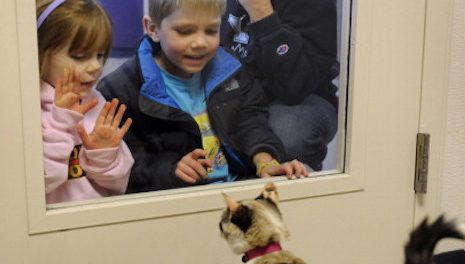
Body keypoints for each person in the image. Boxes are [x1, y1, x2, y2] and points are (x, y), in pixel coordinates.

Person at [97, 0, 308, 194]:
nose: (200, 42)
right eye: (185, 31)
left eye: (211, 30)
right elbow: (119, 166)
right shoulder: (120, 89)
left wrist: (265, 161)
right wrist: (171, 170)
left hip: (238, 190)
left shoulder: (232, 68)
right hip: (175, 201)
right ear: (153, 29)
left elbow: (250, 121)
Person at [221, 0, 339, 171]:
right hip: (235, 91)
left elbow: (295, 86)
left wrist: (261, 13)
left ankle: (295, 181)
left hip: (298, 96)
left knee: (288, 131)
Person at [37, 0, 134, 204]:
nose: (95, 66)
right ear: (41, 54)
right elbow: (42, 181)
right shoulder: (28, 108)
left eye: (100, 55)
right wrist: (60, 122)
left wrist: (103, 155)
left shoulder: (96, 102)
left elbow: (119, 184)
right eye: (80, 56)